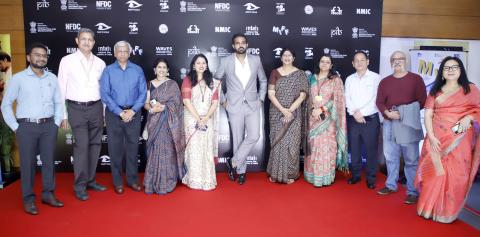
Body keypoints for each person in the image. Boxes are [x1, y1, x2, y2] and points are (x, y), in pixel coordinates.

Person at [415, 56, 480, 223]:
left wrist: (469, 117)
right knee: (434, 174)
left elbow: (478, 110)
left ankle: (446, 212)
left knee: (458, 175)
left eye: (455, 67)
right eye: (447, 68)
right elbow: (428, 114)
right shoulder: (436, 90)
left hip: (460, 137)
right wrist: (431, 136)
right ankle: (428, 209)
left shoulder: (470, 89)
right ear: (442, 72)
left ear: (461, 70)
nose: (451, 70)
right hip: (436, 137)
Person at [1, 42, 63, 215]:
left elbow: (59, 102)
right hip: (26, 126)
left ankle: (48, 194)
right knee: (28, 165)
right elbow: (6, 105)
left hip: (48, 126)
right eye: (37, 54)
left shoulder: (52, 78)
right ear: (29, 57)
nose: (41, 58)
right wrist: (16, 127)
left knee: (49, 162)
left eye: (44, 55)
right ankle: (28, 199)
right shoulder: (18, 78)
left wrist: (56, 123)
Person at [57, 28, 107, 201]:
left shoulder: (100, 63)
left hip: (96, 108)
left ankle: (91, 181)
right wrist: (63, 115)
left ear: (94, 42)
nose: (86, 42)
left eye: (90, 39)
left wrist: (104, 113)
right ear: (77, 41)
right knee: (82, 146)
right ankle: (79, 186)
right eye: (83, 39)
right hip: (76, 108)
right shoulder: (67, 61)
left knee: (95, 145)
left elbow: (104, 90)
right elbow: (61, 88)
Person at [214, 33, 267, 185]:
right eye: (237, 43)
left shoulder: (255, 60)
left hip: (252, 104)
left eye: (243, 42)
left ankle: (234, 162)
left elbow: (263, 80)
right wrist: (223, 101)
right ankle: (241, 171)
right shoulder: (226, 61)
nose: (240, 45)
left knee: (254, 135)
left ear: (247, 44)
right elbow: (216, 81)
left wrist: (261, 99)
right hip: (234, 105)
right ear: (233, 46)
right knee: (238, 139)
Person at [376, 51, 426, 204]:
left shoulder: (416, 79)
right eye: (394, 59)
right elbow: (379, 102)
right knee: (390, 156)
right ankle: (391, 185)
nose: (397, 61)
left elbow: (422, 101)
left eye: (400, 59)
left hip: (408, 123)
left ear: (406, 61)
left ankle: (412, 191)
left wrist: (402, 112)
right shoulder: (385, 82)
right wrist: (387, 113)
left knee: (411, 159)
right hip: (389, 122)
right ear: (391, 63)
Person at [100, 41, 146, 194]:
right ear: (114, 53)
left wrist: (132, 111)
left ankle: (132, 180)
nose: (122, 53)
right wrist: (120, 112)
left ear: (129, 52)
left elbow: (143, 93)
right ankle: (117, 182)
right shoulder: (108, 71)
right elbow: (105, 94)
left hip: (134, 112)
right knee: (115, 149)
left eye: (125, 51)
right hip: (114, 114)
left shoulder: (138, 70)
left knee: (133, 147)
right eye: (119, 51)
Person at [304, 54, 348, 187]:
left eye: (327, 62)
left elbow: (338, 100)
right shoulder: (311, 78)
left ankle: (325, 178)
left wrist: (322, 109)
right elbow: (307, 97)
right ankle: (312, 176)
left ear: (331, 65)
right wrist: (313, 109)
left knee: (326, 147)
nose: (324, 64)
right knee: (313, 146)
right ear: (318, 63)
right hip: (312, 118)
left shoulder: (335, 80)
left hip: (328, 119)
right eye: (322, 61)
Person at [143, 58, 185, 194]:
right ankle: (152, 181)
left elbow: (178, 105)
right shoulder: (149, 84)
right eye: (159, 67)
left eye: (164, 67)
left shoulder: (172, 84)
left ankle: (167, 181)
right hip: (153, 121)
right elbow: (146, 103)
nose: (161, 70)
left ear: (168, 70)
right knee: (155, 151)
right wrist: (152, 109)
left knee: (167, 151)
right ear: (155, 69)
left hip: (168, 123)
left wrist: (165, 107)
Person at [266, 48, 307, 184]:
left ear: (293, 58)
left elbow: (303, 95)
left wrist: (290, 110)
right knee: (277, 142)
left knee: (291, 143)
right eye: (284, 55)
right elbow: (271, 93)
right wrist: (283, 110)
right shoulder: (275, 72)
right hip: (277, 112)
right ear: (281, 57)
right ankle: (275, 174)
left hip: (294, 113)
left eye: (290, 55)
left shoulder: (300, 74)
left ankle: (289, 174)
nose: (287, 57)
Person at [181, 54, 220, 190]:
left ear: (207, 65)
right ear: (193, 65)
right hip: (192, 119)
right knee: (194, 149)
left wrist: (206, 118)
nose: (201, 65)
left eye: (204, 63)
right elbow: (186, 101)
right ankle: (194, 179)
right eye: (198, 63)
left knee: (206, 148)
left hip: (207, 119)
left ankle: (207, 179)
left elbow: (215, 103)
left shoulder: (212, 82)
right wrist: (198, 118)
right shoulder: (187, 80)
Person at [344, 51, 381, 189]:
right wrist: (355, 113)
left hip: (370, 119)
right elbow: (347, 98)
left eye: (362, 60)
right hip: (353, 119)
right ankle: (356, 175)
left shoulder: (376, 78)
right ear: (353, 63)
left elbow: (376, 99)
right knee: (354, 149)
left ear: (368, 62)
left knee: (371, 150)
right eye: (356, 61)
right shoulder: (349, 79)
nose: (359, 63)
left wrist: (362, 113)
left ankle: (371, 178)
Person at [0, 51, 14, 173]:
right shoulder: (5, 74)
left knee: (7, 140)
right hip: (5, 111)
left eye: (0, 63)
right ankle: (7, 169)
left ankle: (8, 170)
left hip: (11, 112)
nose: (0, 66)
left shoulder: (14, 73)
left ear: (5, 60)